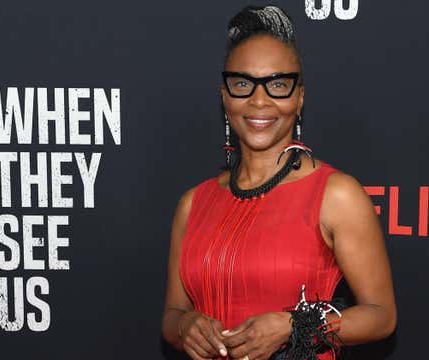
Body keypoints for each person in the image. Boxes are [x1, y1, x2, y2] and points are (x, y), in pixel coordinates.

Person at [162, 5, 396, 360]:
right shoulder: (193, 203)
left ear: (299, 97)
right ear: (224, 97)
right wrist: (185, 327)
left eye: (278, 85)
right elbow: (172, 315)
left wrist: (294, 325)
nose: (259, 100)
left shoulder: (336, 194)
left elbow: (381, 315)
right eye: (242, 84)